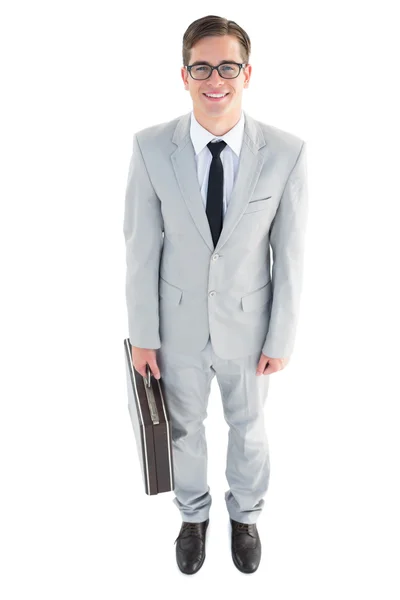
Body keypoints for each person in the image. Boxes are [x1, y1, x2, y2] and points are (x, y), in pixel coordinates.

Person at [123, 14, 308, 575]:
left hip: (250, 330)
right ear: (184, 75)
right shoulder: (152, 147)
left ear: (247, 73)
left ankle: (246, 516)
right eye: (202, 67)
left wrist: (281, 335)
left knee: (249, 429)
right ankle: (193, 516)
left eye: (227, 66)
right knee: (184, 429)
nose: (215, 79)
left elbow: (292, 253)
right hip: (174, 328)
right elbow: (139, 247)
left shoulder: (285, 152)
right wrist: (143, 337)